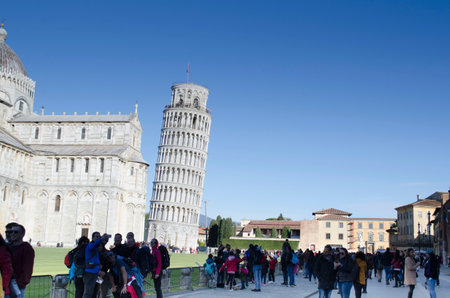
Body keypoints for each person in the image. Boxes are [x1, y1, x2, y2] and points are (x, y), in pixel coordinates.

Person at [5, 223, 34, 298]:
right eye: (11, 232)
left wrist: (17, 284)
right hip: (5, 286)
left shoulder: (26, 248)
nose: (12, 234)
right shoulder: (7, 247)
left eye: (16, 232)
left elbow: (27, 270)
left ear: (22, 234)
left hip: (16, 287)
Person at [82, 232, 109, 298]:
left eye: (99, 237)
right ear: (93, 238)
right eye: (96, 237)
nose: (98, 238)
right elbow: (95, 244)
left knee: (93, 293)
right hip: (90, 273)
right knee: (88, 293)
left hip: (95, 273)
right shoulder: (90, 246)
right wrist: (101, 239)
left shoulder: (95, 248)